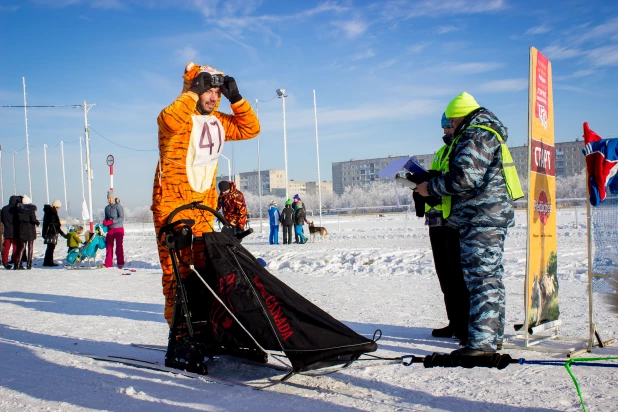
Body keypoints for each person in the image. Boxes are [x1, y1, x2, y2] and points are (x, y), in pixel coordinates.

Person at [152, 62, 260, 326]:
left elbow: (250, 129)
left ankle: (205, 326)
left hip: (204, 208)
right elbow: (168, 120)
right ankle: (178, 330)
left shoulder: (217, 121)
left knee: (205, 269)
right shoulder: (176, 119)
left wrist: (236, 99)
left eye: (217, 92)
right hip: (172, 205)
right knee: (176, 271)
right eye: (208, 91)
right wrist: (190, 91)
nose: (214, 97)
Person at [415, 92, 521, 355]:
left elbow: (465, 178)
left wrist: (432, 187)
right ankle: (491, 337)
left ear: (461, 115)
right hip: (485, 215)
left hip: (480, 216)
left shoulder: (476, 133)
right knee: (490, 277)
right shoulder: (486, 131)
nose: (450, 125)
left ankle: (481, 344)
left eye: (452, 120)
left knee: (480, 278)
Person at [412, 113, 470, 342]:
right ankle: (454, 322)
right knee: (445, 276)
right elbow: (434, 180)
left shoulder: (465, 149)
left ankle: (467, 325)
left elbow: (460, 181)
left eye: (449, 126)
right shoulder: (441, 151)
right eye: (444, 127)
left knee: (459, 276)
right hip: (437, 220)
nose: (446, 131)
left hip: (455, 221)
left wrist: (434, 181)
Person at [15, 195, 39, 270]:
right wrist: (37, 222)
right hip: (30, 230)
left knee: (22, 247)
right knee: (30, 247)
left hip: (22, 229)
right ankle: (29, 264)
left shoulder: (19, 210)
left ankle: (18, 263)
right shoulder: (31, 211)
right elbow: (33, 219)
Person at [104, 191, 125, 269]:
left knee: (119, 246)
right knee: (109, 246)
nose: (110, 199)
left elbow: (121, 217)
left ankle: (120, 262)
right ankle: (108, 263)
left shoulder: (118, 206)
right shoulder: (106, 208)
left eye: (111, 198)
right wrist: (105, 221)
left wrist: (113, 221)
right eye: (109, 198)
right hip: (110, 229)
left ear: (114, 198)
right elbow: (106, 218)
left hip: (118, 229)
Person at [42, 200, 66, 267]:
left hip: (48, 232)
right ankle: (49, 261)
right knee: (51, 248)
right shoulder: (52, 212)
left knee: (49, 248)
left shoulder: (48, 212)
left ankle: (47, 261)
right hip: (52, 232)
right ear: (56, 206)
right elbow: (54, 224)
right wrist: (60, 231)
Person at [1, 195, 21, 269]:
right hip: (15, 231)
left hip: (6, 231)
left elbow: (2, 219)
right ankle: (15, 261)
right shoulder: (16, 209)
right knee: (15, 247)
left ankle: (5, 262)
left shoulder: (4, 208)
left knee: (6, 248)